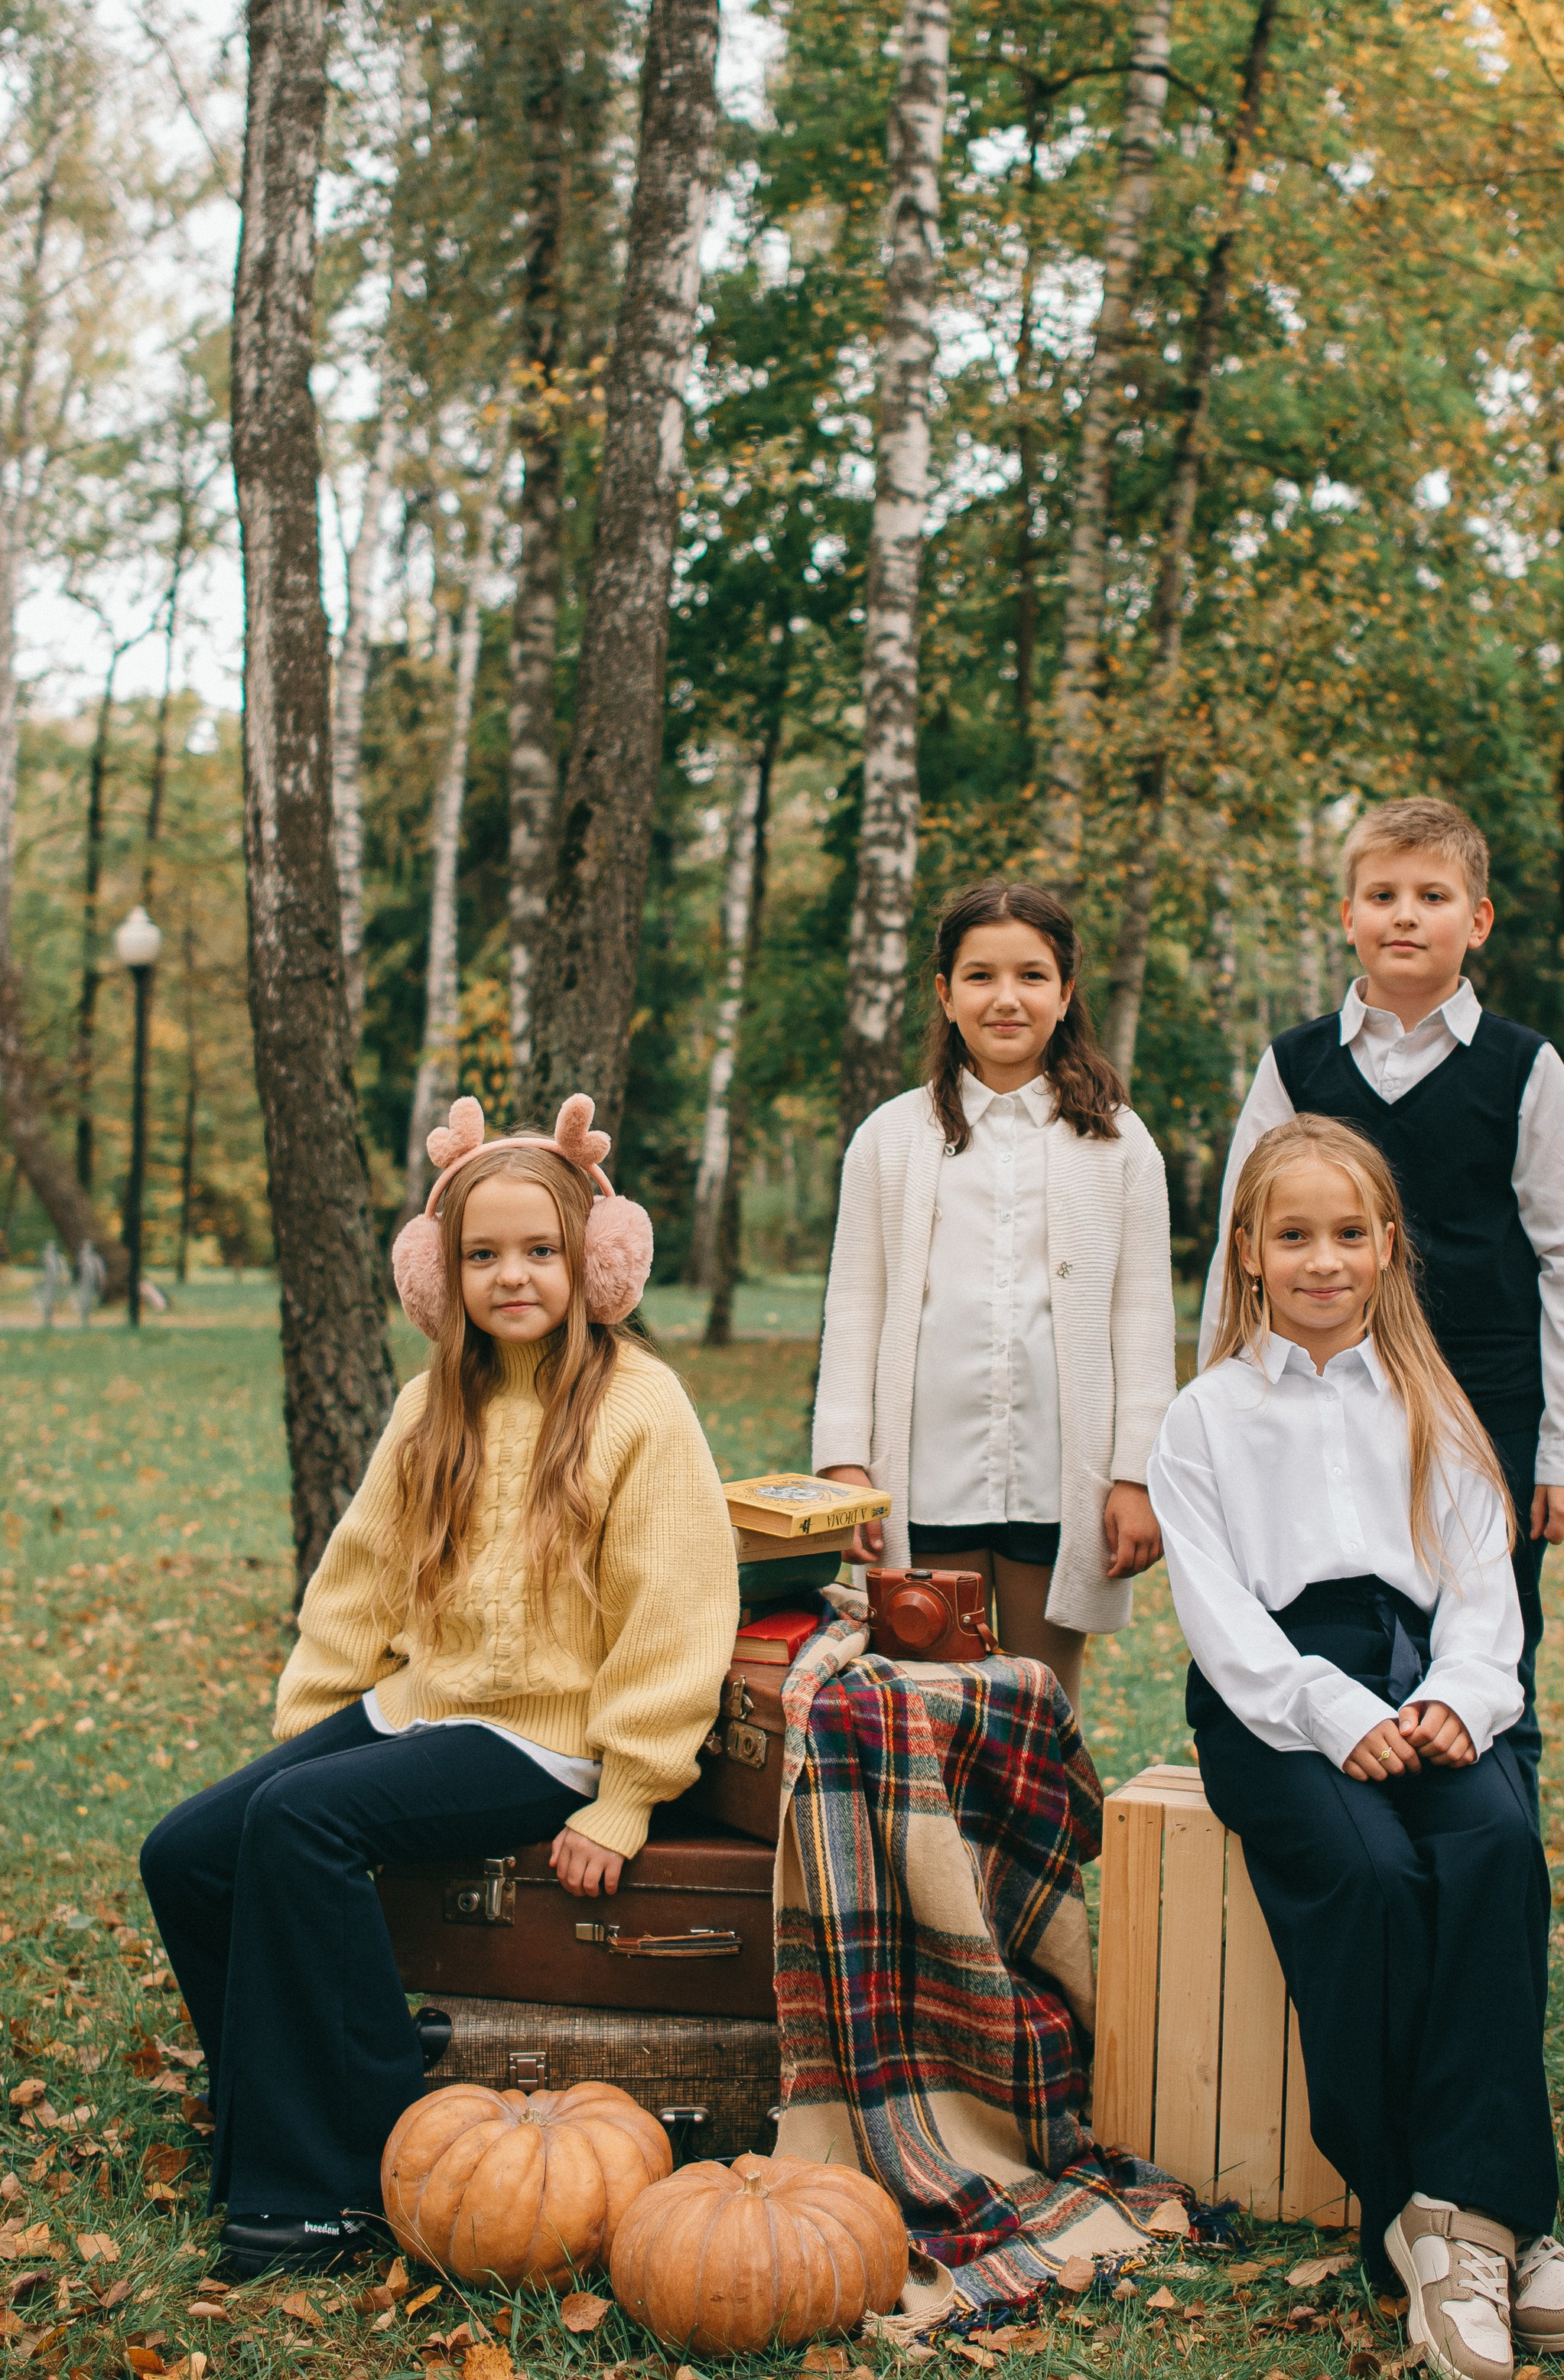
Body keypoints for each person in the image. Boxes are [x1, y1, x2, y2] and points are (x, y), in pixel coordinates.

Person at [140, 1097, 737, 2278]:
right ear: (439, 1272)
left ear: (592, 1258)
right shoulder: (434, 1403)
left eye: (539, 1250)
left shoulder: (639, 1403)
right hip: (427, 1701)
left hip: (546, 1733)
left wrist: (627, 1792)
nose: (510, 1275)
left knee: (301, 1824)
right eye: (481, 1253)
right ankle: (277, 2085)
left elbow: (678, 1610)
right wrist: (314, 1724)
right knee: (190, 1847)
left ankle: (340, 2174)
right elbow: (359, 1572)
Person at [1151, 1112, 1564, 2380]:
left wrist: (1466, 1698)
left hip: (1424, 1676)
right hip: (1275, 1698)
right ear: (1247, 1253)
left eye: (1348, 1234)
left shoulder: (1431, 1403)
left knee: (1493, 1843)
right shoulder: (1206, 1417)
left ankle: (1474, 2225)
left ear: (1386, 1248)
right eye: (1292, 1234)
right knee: (1369, 1875)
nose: (1322, 1259)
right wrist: (1332, 1714)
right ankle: (1437, 2212)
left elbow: (1481, 1586)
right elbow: (1220, 1616)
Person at [1198, 797, 1564, 1796]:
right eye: (1382, 894)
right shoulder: (1294, 1064)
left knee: (1490, 1654)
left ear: (1476, 920)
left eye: (1432, 896)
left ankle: (1491, 1849)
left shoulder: (1525, 1067)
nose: (1405, 914)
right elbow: (1240, 1247)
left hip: (1487, 1404)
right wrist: (1232, 1408)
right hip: (1320, 1401)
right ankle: (1365, 1845)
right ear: (1347, 913)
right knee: (1342, 1623)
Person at [812, 879, 1176, 1718]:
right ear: (944, 992)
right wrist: (843, 1460)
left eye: (1031, 976)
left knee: (1043, 1712)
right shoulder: (890, 1137)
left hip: (1061, 1476)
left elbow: (1142, 1315)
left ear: (1066, 991)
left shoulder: (1119, 1142)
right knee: (933, 1718)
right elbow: (856, 1304)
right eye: (979, 976)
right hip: (924, 1476)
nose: (1005, 998)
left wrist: (1135, 1475)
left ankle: (1039, 1853)